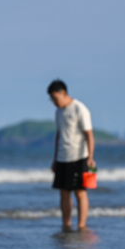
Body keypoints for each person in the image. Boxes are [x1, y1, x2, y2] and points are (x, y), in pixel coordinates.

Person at [48, 79, 96, 231]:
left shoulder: (79, 108)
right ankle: (66, 224)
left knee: (80, 192)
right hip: (62, 157)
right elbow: (59, 135)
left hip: (79, 157)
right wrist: (55, 159)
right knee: (63, 193)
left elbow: (89, 134)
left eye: (55, 98)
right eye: (51, 99)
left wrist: (90, 157)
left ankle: (81, 226)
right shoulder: (58, 112)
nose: (53, 102)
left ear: (63, 93)